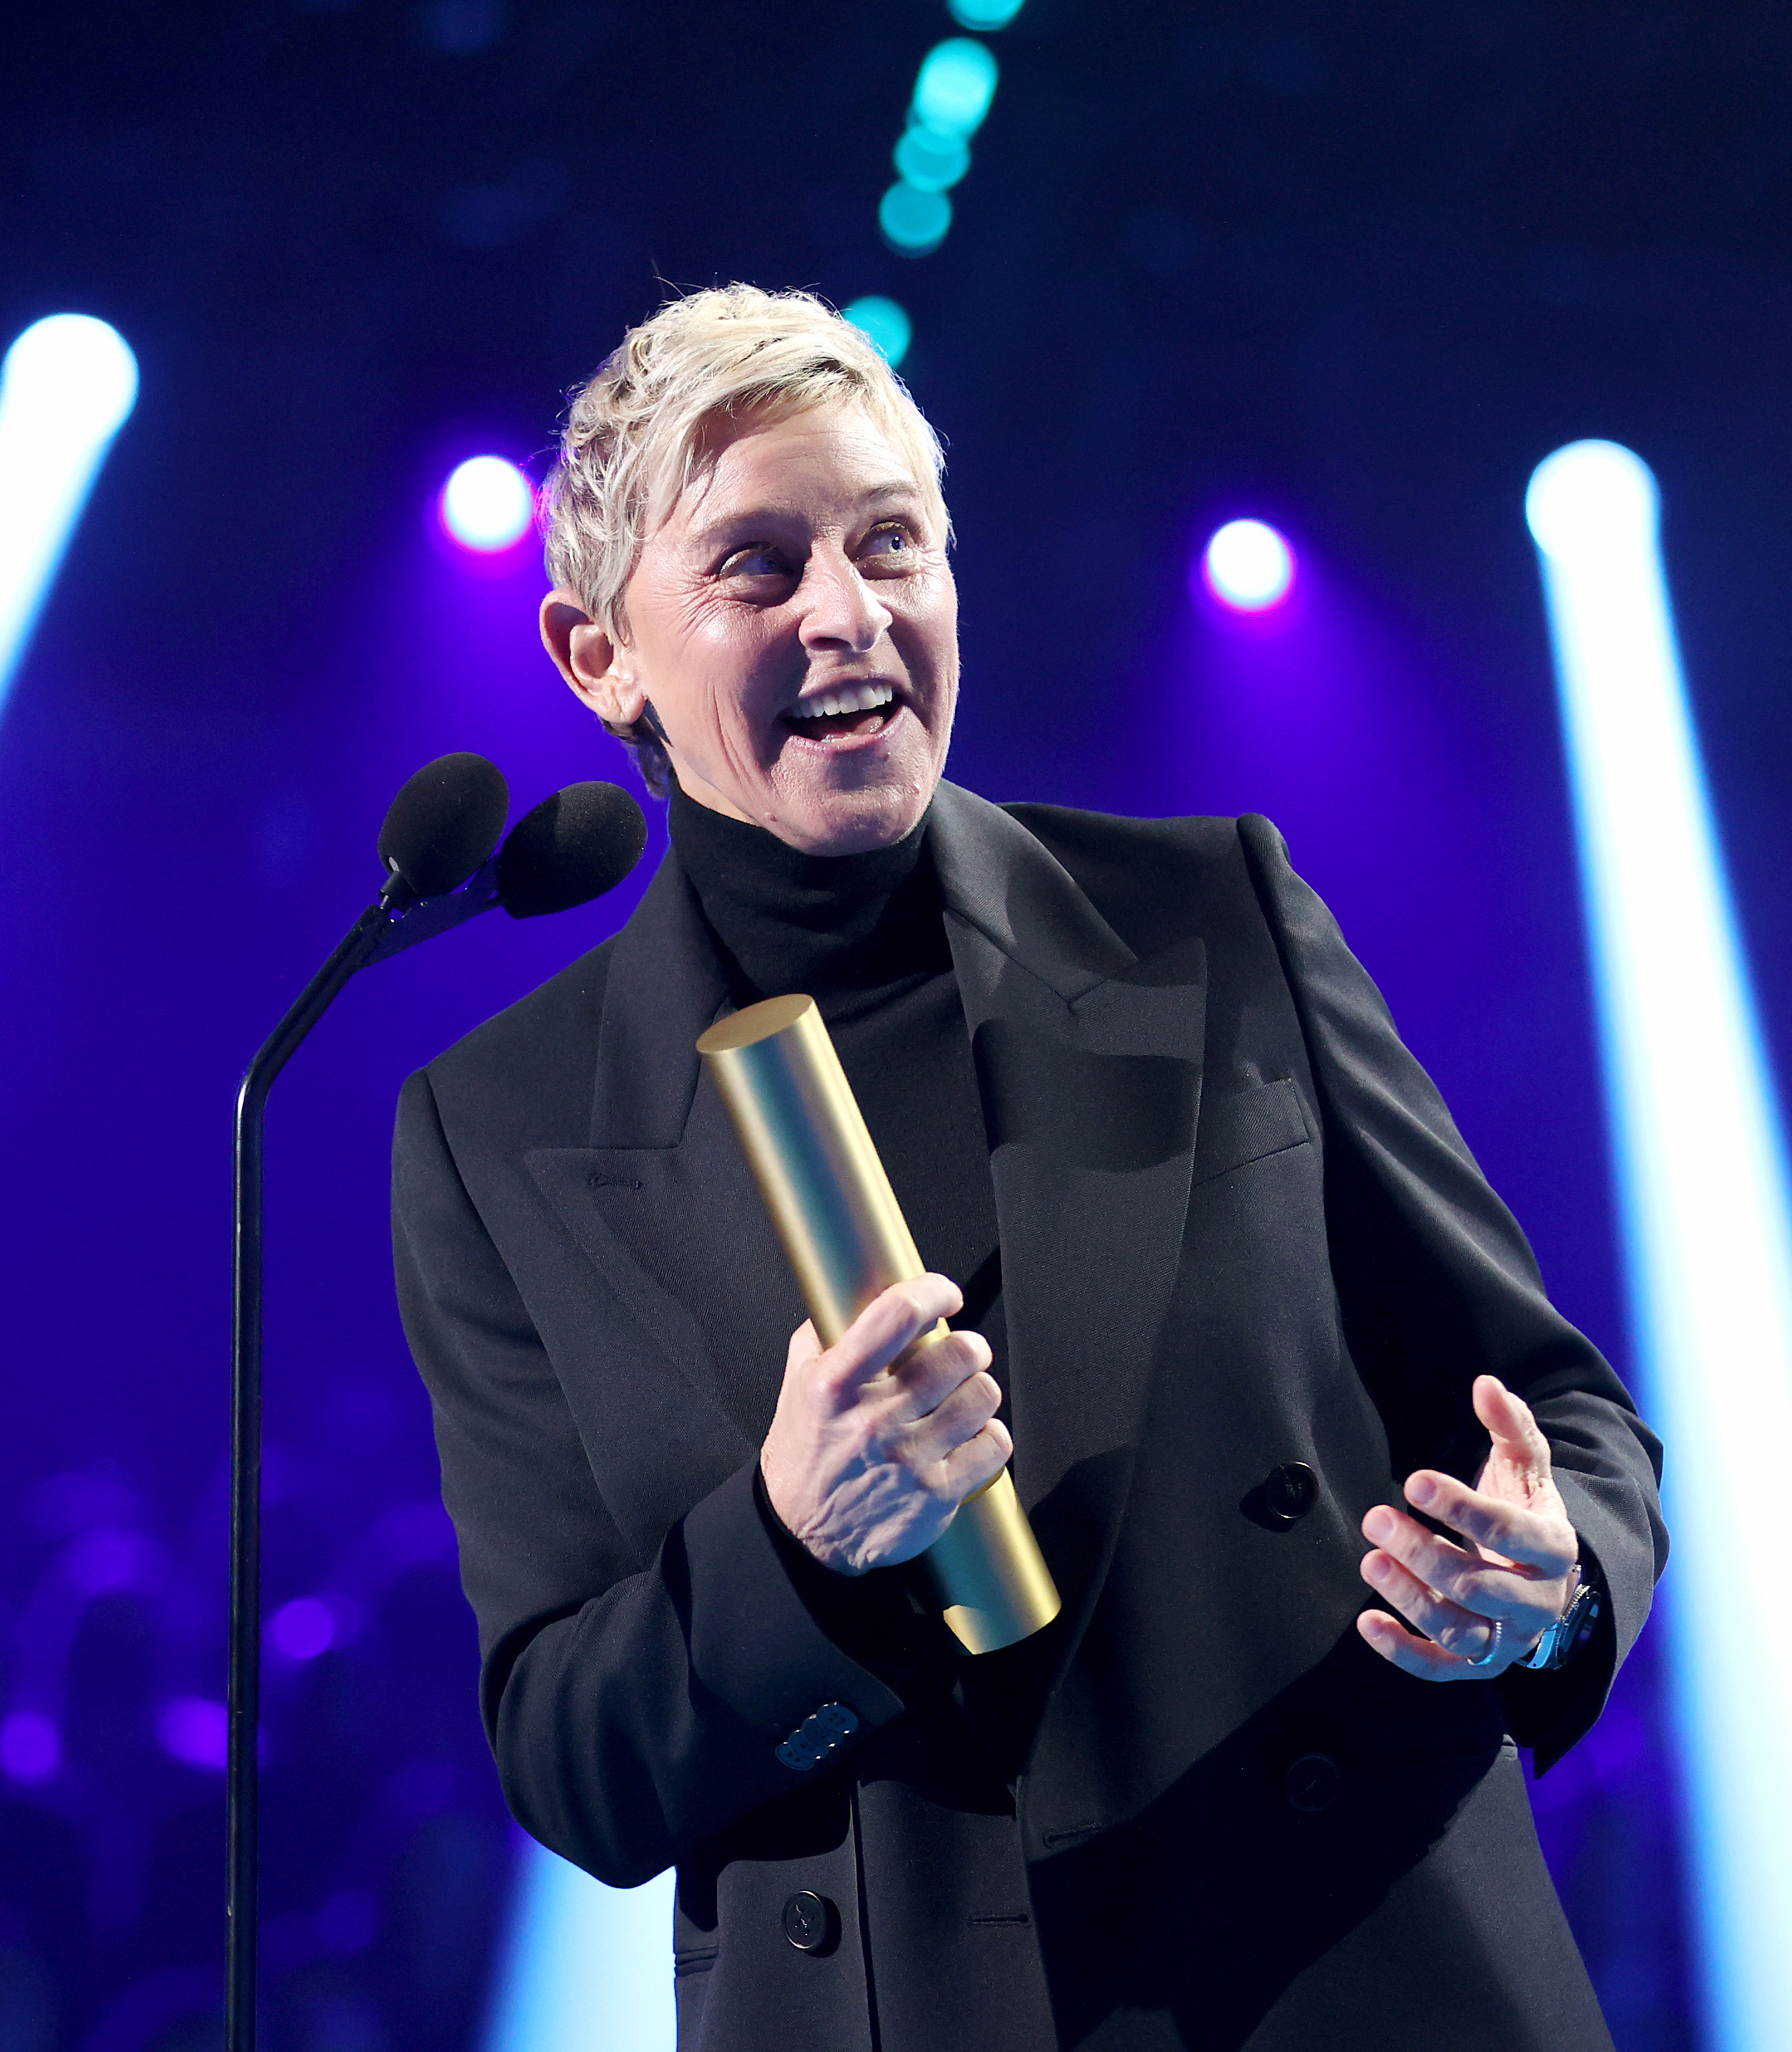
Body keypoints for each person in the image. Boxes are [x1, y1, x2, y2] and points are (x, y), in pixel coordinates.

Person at [390, 284, 1667, 2052]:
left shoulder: (1209, 915)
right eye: (756, 567)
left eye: (890, 543)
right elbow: (572, 1757)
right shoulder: (499, 1120)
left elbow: (1555, 1407)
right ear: (594, 653)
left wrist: (1553, 1574)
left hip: (1341, 1967)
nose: (848, 613)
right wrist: (796, 1547)